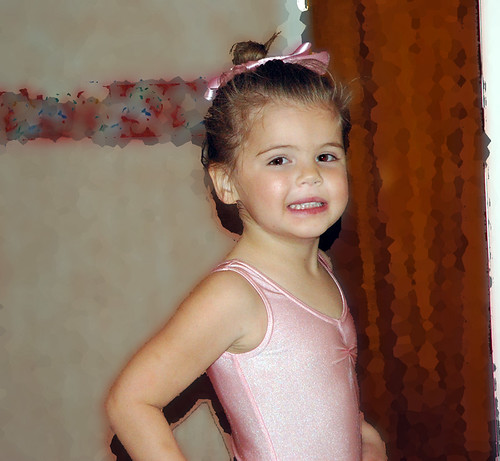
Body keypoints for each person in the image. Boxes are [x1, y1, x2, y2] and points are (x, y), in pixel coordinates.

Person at [105, 33, 387, 461]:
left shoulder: (321, 267)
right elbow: (130, 401)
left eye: (326, 156)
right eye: (279, 160)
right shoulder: (234, 295)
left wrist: (364, 439)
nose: (310, 175)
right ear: (227, 183)